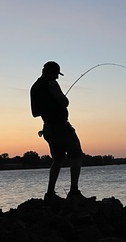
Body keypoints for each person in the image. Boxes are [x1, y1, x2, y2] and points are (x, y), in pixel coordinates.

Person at [30, 61, 89, 202]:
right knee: (76, 156)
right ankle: (73, 191)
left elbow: (34, 113)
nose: (57, 77)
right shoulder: (51, 83)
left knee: (58, 159)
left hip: (48, 128)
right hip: (60, 126)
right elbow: (65, 102)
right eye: (56, 74)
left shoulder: (34, 87)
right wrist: (60, 103)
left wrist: (48, 107)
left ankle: (50, 193)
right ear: (50, 72)